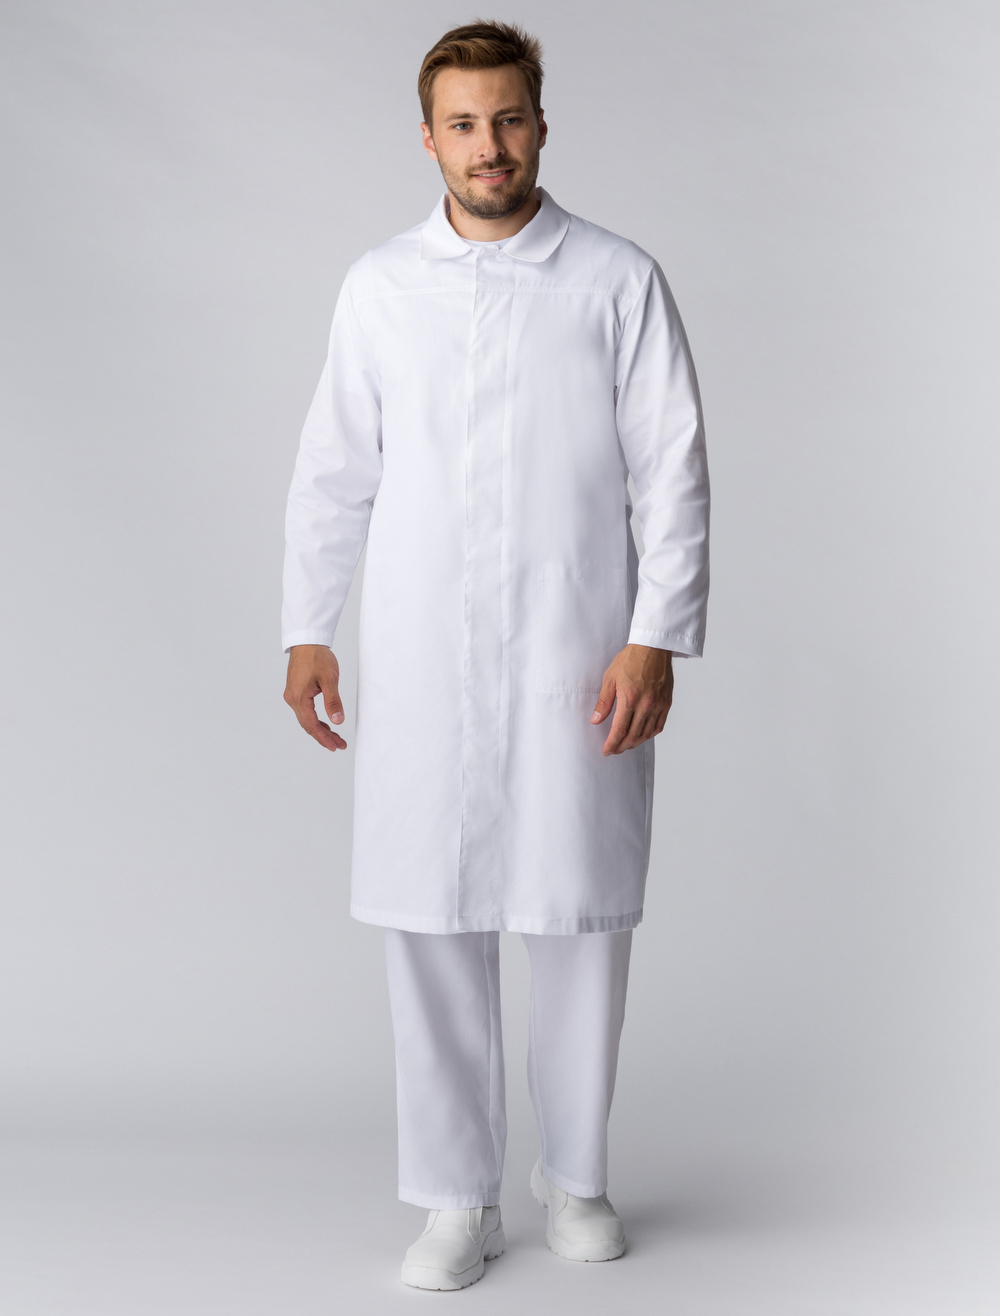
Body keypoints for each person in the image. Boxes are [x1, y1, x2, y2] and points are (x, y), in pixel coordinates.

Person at [281, 20, 709, 1292]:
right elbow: (332, 467)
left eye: (509, 119)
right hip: (421, 654)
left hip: (577, 644)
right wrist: (308, 623)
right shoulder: (380, 286)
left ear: (540, 126)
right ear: (428, 138)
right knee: (432, 913)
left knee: (576, 915)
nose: (490, 146)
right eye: (464, 124)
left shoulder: (615, 280)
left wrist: (655, 632)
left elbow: (672, 464)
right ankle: (454, 1195)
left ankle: (574, 1174)